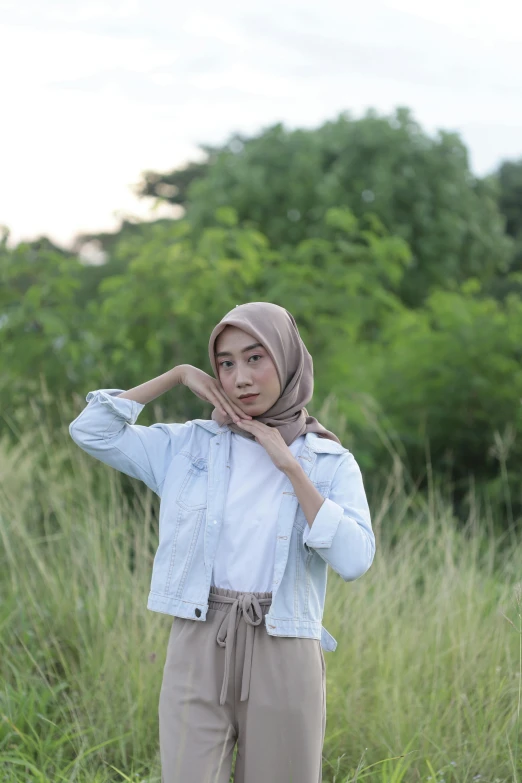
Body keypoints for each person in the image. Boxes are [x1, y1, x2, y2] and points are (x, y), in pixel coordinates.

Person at [69, 301, 375, 783]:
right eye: (225, 364)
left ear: (288, 358)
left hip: (284, 643)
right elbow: (92, 430)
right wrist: (177, 375)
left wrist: (291, 469)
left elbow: (356, 560)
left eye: (256, 358)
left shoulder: (328, 461)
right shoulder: (188, 445)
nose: (240, 378)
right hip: (199, 635)